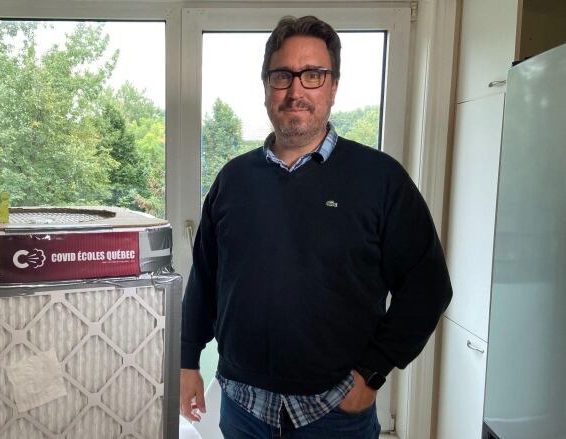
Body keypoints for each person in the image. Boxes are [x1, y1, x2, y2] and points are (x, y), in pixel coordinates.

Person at [179, 15, 452, 438]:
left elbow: (428, 286)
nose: (296, 91)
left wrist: (371, 375)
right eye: (282, 75)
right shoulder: (233, 180)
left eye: (313, 75)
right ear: (266, 86)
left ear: (333, 87)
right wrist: (186, 361)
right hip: (242, 408)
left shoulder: (380, 179)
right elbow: (205, 281)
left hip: (334, 413)